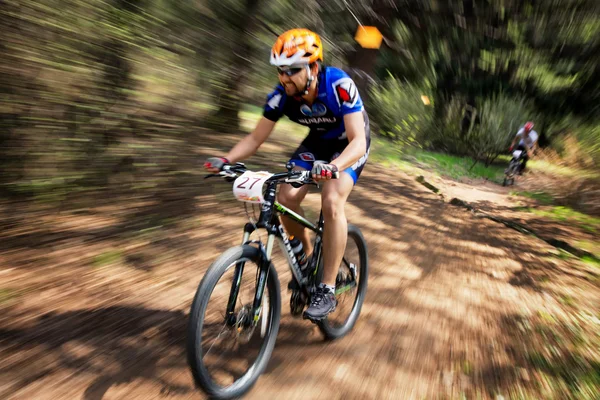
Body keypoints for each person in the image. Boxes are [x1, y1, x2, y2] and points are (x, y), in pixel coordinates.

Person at [204, 28, 370, 321]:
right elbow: (255, 139)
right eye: (281, 70)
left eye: (292, 70)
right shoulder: (281, 96)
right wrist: (225, 160)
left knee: (331, 200)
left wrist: (334, 167)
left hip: (350, 144)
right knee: (286, 193)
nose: (284, 77)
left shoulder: (339, 85)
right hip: (318, 143)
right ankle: (306, 260)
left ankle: (326, 289)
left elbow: (357, 141)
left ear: (313, 68)